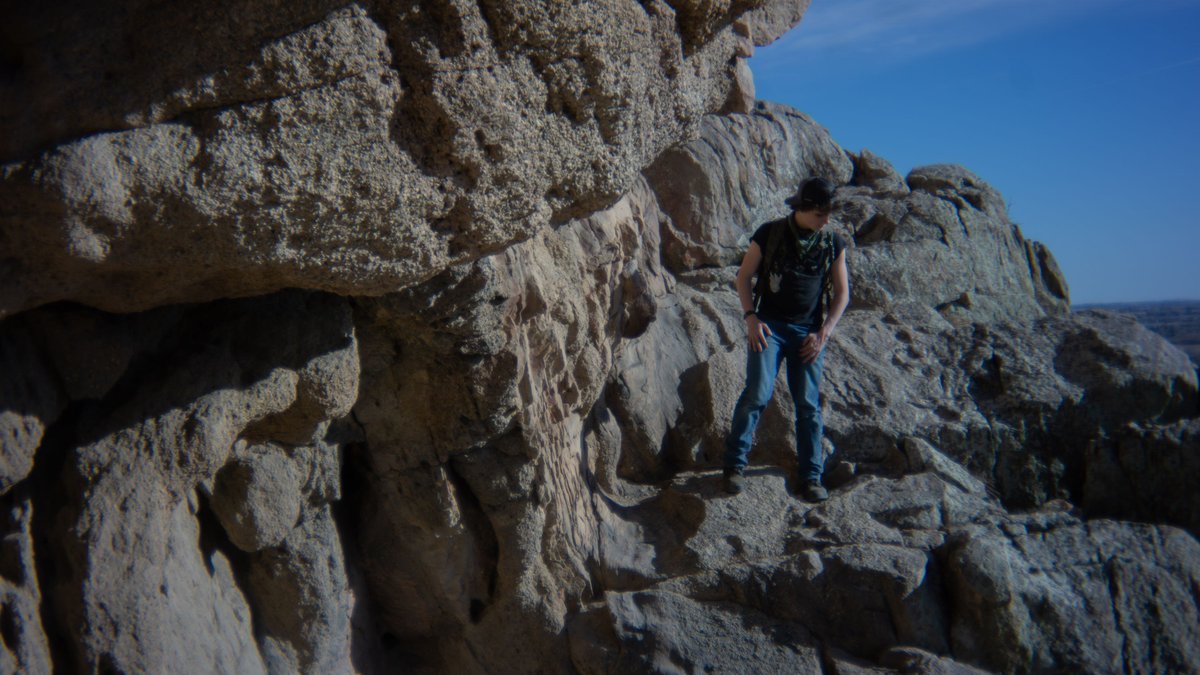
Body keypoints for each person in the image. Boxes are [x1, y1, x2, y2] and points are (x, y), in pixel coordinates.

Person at [723, 176, 850, 501]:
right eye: (821, 213)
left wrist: (824, 333)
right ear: (804, 208)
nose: (826, 220)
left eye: (828, 214)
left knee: (808, 405)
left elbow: (842, 294)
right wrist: (751, 318)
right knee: (757, 393)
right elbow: (744, 277)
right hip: (770, 329)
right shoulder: (770, 233)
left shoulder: (832, 243)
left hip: (808, 335)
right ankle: (734, 466)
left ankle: (811, 477)